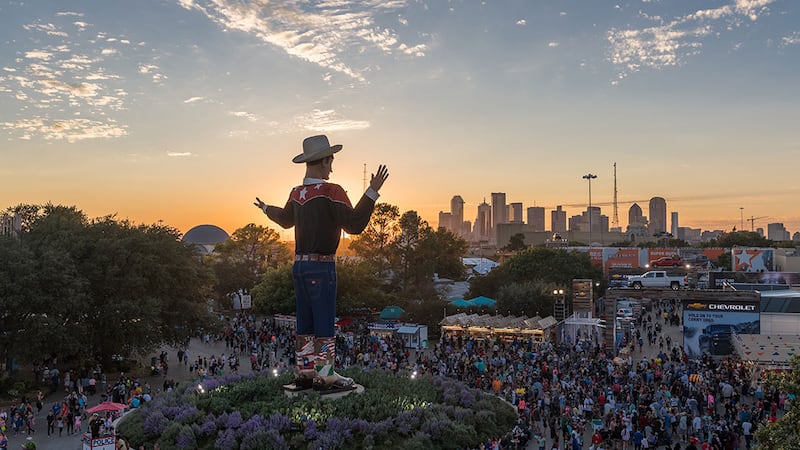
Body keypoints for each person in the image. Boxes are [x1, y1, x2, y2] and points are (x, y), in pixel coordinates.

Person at [256, 135, 388, 390]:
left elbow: (284, 219)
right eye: (330, 161)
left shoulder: (297, 194)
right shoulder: (331, 191)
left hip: (299, 268)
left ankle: (305, 372)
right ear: (323, 161)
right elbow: (355, 224)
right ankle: (325, 374)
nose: (332, 167)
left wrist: (264, 209)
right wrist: (372, 191)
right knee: (324, 320)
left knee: (304, 320)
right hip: (322, 266)